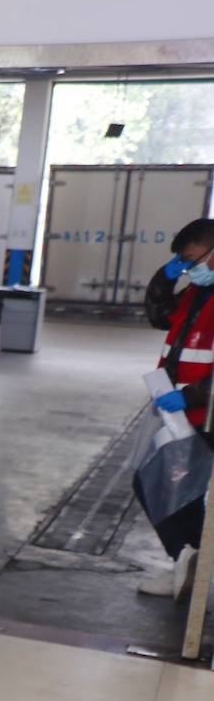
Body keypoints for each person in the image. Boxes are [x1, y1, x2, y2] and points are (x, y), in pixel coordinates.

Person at [136, 218, 214, 598]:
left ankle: (186, 557)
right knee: (184, 489)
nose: (188, 268)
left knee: (155, 480)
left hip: (203, 412)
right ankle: (189, 562)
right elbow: (158, 315)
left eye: (191, 259)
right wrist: (164, 278)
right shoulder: (196, 294)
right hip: (183, 413)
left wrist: (192, 395)